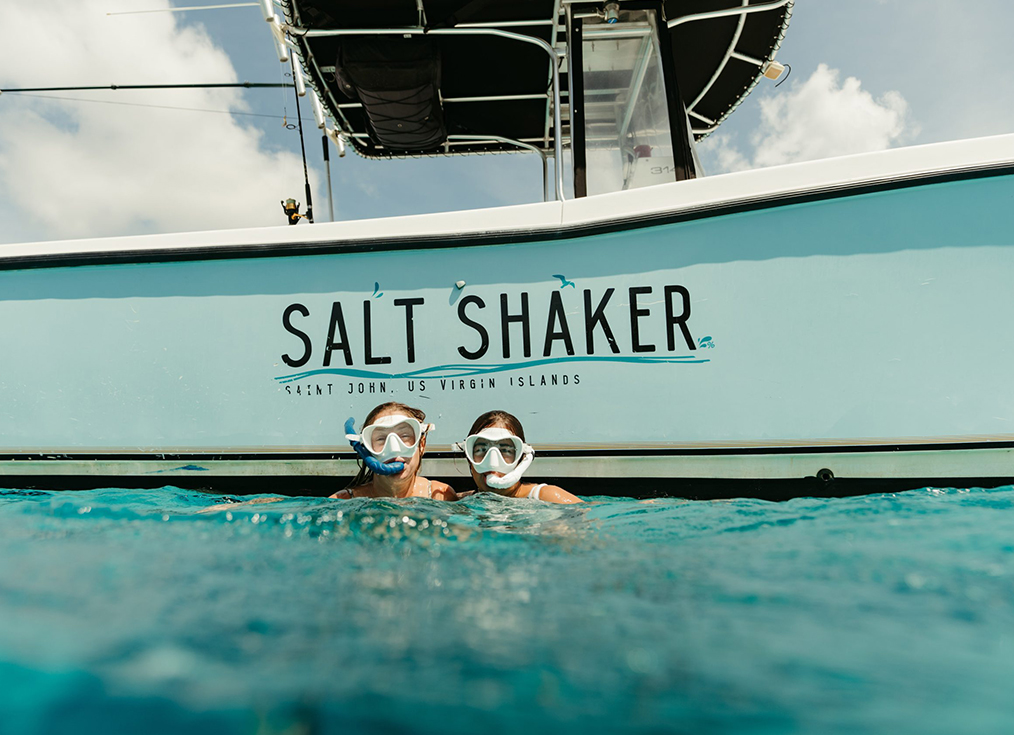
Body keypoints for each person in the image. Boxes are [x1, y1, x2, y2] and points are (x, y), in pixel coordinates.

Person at [331, 402, 456, 500]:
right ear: (367, 450)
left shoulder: (440, 495)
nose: (394, 449)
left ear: (421, 445)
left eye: (404, 436)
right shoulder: (343, 501)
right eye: (381, 439)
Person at [460, 410, 581, 504]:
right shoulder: (460, 502)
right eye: (481, 450)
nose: (492, 462)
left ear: (522, 458)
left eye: (505, 450)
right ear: (469, 457)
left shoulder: (547, 496)